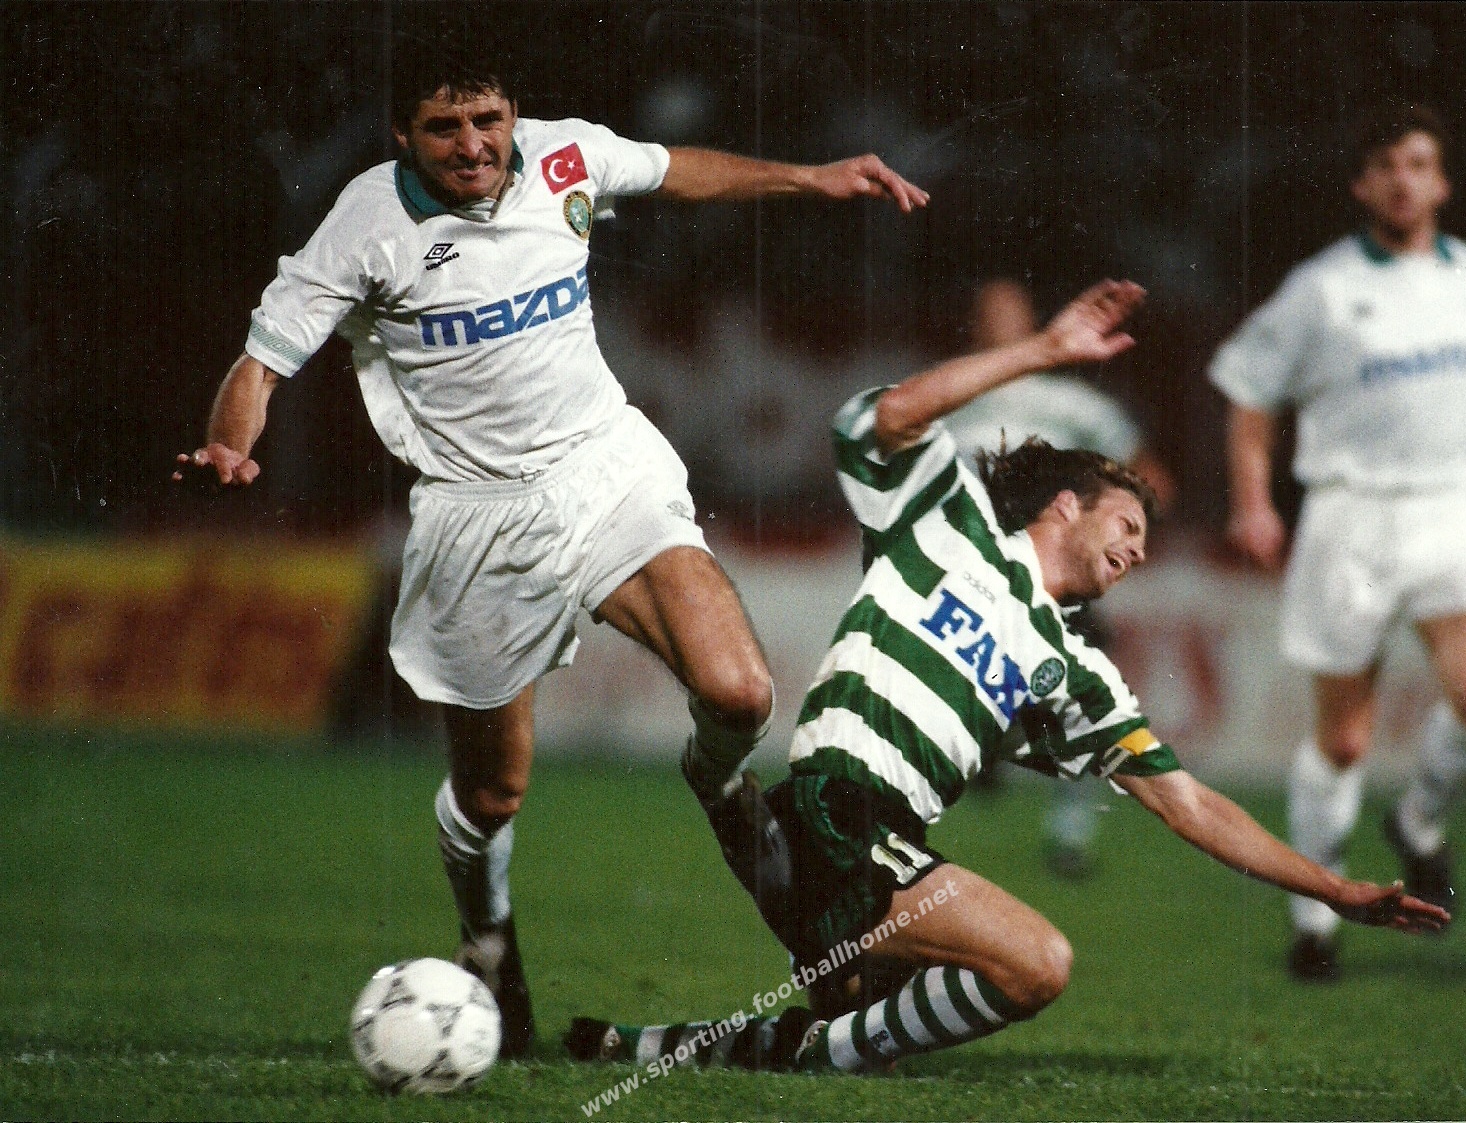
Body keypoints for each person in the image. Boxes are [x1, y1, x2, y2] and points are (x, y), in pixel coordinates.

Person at [173, 48, 929, 1056]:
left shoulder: (565, 156)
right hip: (477, 517)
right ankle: (487, 933)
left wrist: (809, 176)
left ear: (512, 114)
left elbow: (673, 170)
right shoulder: (366, 222)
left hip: (604, 469)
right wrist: (229, 444)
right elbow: (263, 362)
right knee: (493, 794)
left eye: (487, 120)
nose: (472, 145)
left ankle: (716, 784)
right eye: (443, 128)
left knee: (740, 694)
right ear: (402, 135)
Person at [562, 280, 1447, 1076]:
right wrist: (1042, 350)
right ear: (1066, 504)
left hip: (877, 842)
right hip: (840, 806)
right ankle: (804, 1011)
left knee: (870, 1021)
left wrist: (1333, 888)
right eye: (1127, 524)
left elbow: (1189, 804)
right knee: (1036, 961)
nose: (1139, 549)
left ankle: (657, 1041)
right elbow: (882, 418)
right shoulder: (950, 522)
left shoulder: (1078, 670)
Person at [1208, 99, 1466, 983]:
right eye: (1386, 165)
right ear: (1361, 184)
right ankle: (1314, 920)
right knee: (1344, 740)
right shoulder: (1321, 288)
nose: (1402, 180)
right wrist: (1252, 502)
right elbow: (1249, 392)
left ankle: (1418, 821)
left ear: (1442, 182)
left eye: (1418, 164)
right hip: (1351, 515)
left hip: (1453, 504)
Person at [947, 277, 1176, 878]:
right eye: (989, 313)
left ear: (1031, 321)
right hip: (971, 580)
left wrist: (1117, 530)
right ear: (974, 325)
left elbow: (1152, 479)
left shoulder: (1072, 406)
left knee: (1083, 704)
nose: (1000, 324)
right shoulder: (953, 397)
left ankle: (1069, 838)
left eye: (1010, 313)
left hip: (1053, 584)